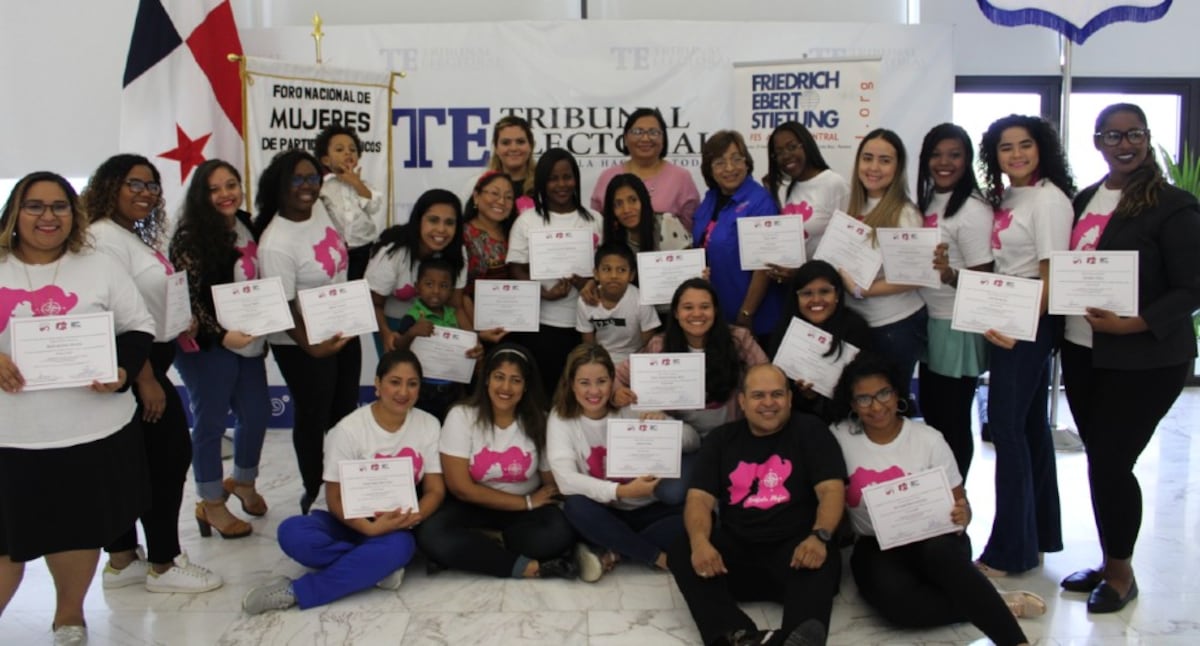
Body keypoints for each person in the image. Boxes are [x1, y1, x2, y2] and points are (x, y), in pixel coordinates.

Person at [0, 172, 155, 645]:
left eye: (59, 206)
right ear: (13, 213)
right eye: (35, 206)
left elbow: (137, 327)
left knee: (77, 529)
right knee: (6, 541)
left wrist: (123, 374)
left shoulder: (98, 264)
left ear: (74, 213)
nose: (48, 217)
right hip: (10, 435)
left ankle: (70, 617)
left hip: (90, 430)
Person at [1058, 103, 1200, 613]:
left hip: (1145, 358)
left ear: (1146, 137)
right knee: (1102, 463)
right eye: (1113, 136)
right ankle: (1109, 558)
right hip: (1081, 352)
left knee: (1112, 461)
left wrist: (1134, 323)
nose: (1125, 144)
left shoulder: (1172, 204)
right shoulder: (1085, 199)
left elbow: (1192, 287)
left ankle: (1121, 575)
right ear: (1097, 142)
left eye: (1134, 134)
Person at [830, 353, 1045, 646]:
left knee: (940, 555)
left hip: (936, 538)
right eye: (864, 399)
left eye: (884, 393)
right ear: (852, 405)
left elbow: (960, 504)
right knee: (898, 609)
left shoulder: (927, 438)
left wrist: (963, 515)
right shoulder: (840, 437)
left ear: (897, 393)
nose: (877, 406)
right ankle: (989, 603)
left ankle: (1014, 640)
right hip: (877, 544)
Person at [82, 154, 222, 593]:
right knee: (167, 460)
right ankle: (164, 563)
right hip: (136, 370)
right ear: (110, 186)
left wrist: (180, 320)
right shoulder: (103, 238)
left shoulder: (129, 236)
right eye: (134, 184)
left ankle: (123, 559)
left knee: (131, 463)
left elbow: (145, 300)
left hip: (148, 361)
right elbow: (111, 315)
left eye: (151, 185)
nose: (145, 193)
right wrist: (144, 378)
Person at [241, 350, 445, 615]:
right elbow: (335, 498)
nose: (403, 392)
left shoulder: (428, 425)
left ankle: (296, 591)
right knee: (292, 532)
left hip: (397, 524)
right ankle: (375, 567)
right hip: (348, 521)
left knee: (401, 546)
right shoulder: (347, 430)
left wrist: (412, 516)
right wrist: (368, 530)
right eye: (395, 382)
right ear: (377, 384)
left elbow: (435, 489)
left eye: (412, 383)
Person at [667, 364, 845, 646]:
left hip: (797, 554)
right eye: (758, 395)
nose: (768, 403)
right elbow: (699, 498)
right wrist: (701, 542)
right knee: (683, 547)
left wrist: (819, 535)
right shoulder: (721, 440)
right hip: (738, 557)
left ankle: (796, 640)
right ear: (742, 401)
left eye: (776, 394)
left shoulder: (811, 430)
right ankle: (738, 636)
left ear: (789, 398)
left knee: (823, 556)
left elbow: (832, 490)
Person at [975, 114, 1076, 577]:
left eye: (1025, 145)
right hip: (1007, 314)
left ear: (1042, 149)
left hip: (1029, 321)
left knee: (1007, 430)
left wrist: (1021, 326)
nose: (1016, 154)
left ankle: (1009, 550)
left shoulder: (1050, 200)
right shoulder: (1010, 195)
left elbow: (1053, 274)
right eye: (1005, 148)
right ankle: (1037, 536)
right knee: (1030, 428)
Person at [255, 149, 362, 516]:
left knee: (345, 412)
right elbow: (281, 305)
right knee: (314, 416)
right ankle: (315, 491)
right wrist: (312, 347)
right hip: (302, 343)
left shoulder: (321, 209)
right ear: (280, 184)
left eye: (312, 178)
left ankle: (347, 485)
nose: (307, 187)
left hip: (343, 327)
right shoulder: (276, 242)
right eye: (298, 179)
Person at [416, 344, 582, 579]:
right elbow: (461, 488)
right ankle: (528, 567)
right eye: (499, 377)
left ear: (525, 386)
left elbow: (549, 482)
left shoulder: (540, 421)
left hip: (523, 513)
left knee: (558, 531)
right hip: (474, 506)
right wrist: (525, 502)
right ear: (486, 380)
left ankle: (477, 548)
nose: (506, 387)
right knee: (431, 533)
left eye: (515, 380)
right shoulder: (461, 416)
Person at [169, 159, 271, 538]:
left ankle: (243, 482)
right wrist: (220, 334)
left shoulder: (248, 223)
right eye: (215, 189)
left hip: (248, 339)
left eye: (232, 184)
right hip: (206, 344)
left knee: (257, 413)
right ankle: (211, 503)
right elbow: (187, 299)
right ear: (201, 194)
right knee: (211, 423)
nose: (226, 194)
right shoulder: (190, 237)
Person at [548, 344, 696, 581]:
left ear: (613, 380)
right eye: (584, 382)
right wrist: (622, 491)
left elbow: (694, 441)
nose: (594, 391)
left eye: (602, 381)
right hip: (607, 510)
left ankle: (615, 549)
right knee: (575, 507)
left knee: (700, 517)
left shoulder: (632, 405)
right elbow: (566, 480)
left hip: (650, 508)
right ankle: (656, 556)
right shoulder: (561, 418)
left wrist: (666, 428)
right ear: (571, 384)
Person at [917, 124, 995, 479]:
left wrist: (950, 276)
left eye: (955, 155)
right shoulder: (930, 198)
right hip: (930, 319)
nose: (944, 162)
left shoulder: (973, 210)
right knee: (933, 417)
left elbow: (984, 280)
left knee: (951, 423)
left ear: (968, 160)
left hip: (955, 325)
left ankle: (956, 498)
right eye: (936, 154)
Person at [614, 279, 768, 439]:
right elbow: (617, 375)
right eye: (688, 307)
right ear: (676, 312)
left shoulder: (738, 339)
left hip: (731, 433)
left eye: (705, 307)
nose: (696, 314)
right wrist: (618, 392)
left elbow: (767, 374)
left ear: (715, 310)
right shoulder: (659, 345)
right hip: (684, 436)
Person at [506, 148, 605, 397]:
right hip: (543, 325)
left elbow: (608, 267)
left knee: (586, 395)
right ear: (541, 182)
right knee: (546, 396)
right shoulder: (528, 221)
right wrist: (542, 293)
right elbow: (516, 266)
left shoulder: (594, 220)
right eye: (552, 178)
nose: (561, 184)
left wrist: (589, 282)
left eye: (567, 176)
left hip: (589, 325)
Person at [837, 129, 928, 387]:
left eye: (885, 160)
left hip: (894, 326)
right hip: (857, 323)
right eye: (867, 158)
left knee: (889, 404)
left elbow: (916, 277)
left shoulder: (905, 215)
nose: (874, 167)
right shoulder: (850, 205)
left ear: (898, 168)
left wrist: (864, 290)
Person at [691, 130, 782, 342]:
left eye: (736, 159)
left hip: (753, 320)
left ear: (747, 163)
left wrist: (746, 313)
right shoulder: (710, 199)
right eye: (720, 162)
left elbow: (764, 266)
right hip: (716, 316)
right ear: (709, 169)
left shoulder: (761, 202)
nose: (730, 168)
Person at [763, 259, 873, 423]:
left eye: (824, 291)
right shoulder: (785, 331)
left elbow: (866, 385)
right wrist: (808, 397)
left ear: (837, 295)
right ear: (796, 298)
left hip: (850, 419)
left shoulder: (856, 329)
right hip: (796, 422)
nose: (816, 300)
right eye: (807, 293)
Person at [366, 189, 468, 356]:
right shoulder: (393, 253)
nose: (441, 229)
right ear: (418, 220)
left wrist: (471, 340)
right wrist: (386, 334)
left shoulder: (457, 252)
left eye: (449, 223)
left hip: (439, 325)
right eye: (433, 220)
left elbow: (455, 306)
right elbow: (374, 304)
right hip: (394, 325)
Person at [589, 108, 701, 231]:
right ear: (625, 139)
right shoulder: (608, 177)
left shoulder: (681, 177)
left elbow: (691, 229)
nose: (645, 138)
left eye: (653, 132)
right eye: (637, 132)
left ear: (663, 139)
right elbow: (597, 225)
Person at [390, 257, 467, 422]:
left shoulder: (453, 315)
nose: (436, 291)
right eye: (429, 284)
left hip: (452, 387)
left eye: (444, 286)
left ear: (452, 290)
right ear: (418, 287)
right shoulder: (412, 317)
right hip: (423, 389)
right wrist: (412, 333)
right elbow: (398, 348)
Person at [762, 120, 851, 260]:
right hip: (797, 279)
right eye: (778, 152)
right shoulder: (791, 187)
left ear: (806, 145)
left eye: (791, 147)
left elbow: (849, 243)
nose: (785, 156)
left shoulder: (834, 183)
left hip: (823, 278)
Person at [315, 124, 383, 281]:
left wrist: (357, 184)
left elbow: (374, 206)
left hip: (364, 247)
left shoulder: (363, 185)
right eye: (339, 150)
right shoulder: (322, 187)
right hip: (335, 249)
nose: (347, 153)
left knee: (361, 285)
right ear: (325, 159)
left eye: (352, 150)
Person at [576, 242, 660, 365]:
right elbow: (589, 345)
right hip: (601, 359)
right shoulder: (586, 301)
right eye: (606, 269)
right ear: (596, 274)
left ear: (631, 275)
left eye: (621, 270)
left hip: (635, 359)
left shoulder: (641, 300)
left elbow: (648, 343)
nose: (614, 276)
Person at [601, 173, 693, 253]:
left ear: (643, 200)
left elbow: (689, 266)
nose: (626, 210)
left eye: (633, 200)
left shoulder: (667, 223)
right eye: (618, 204)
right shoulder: (613, 234)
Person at [462, 171, 517, 295]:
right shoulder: (462, 234)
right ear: (476, 196)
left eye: (508, 197)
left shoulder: (516, 233)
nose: (501, 202)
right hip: (468, 310)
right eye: (494, 193)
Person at [467, 115, 536, 211]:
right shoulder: (479, 184)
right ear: (496, 148)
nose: (513, 148)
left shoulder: (545, 184)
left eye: (520, 142)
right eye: (506, 143)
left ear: (531, 146)